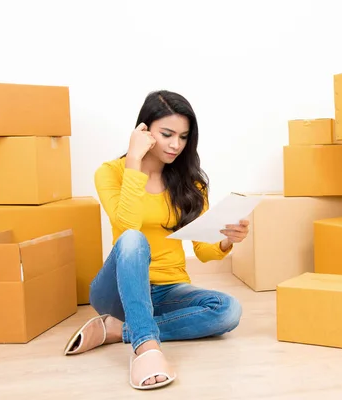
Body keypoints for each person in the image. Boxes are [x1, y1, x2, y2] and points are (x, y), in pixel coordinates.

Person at [62, 90, 249, 391]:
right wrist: (134, 160)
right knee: (134, 239)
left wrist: (228, 241)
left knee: (228, 310)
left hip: (168, 290)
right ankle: (146, 347)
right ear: (144, 131)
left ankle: (118, 330)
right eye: (167, 134)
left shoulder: (191, 183)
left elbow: (204, 252)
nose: (176, 145)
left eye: (184, 137)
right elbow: (127, 226)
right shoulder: (111, 173)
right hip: (118, 290)